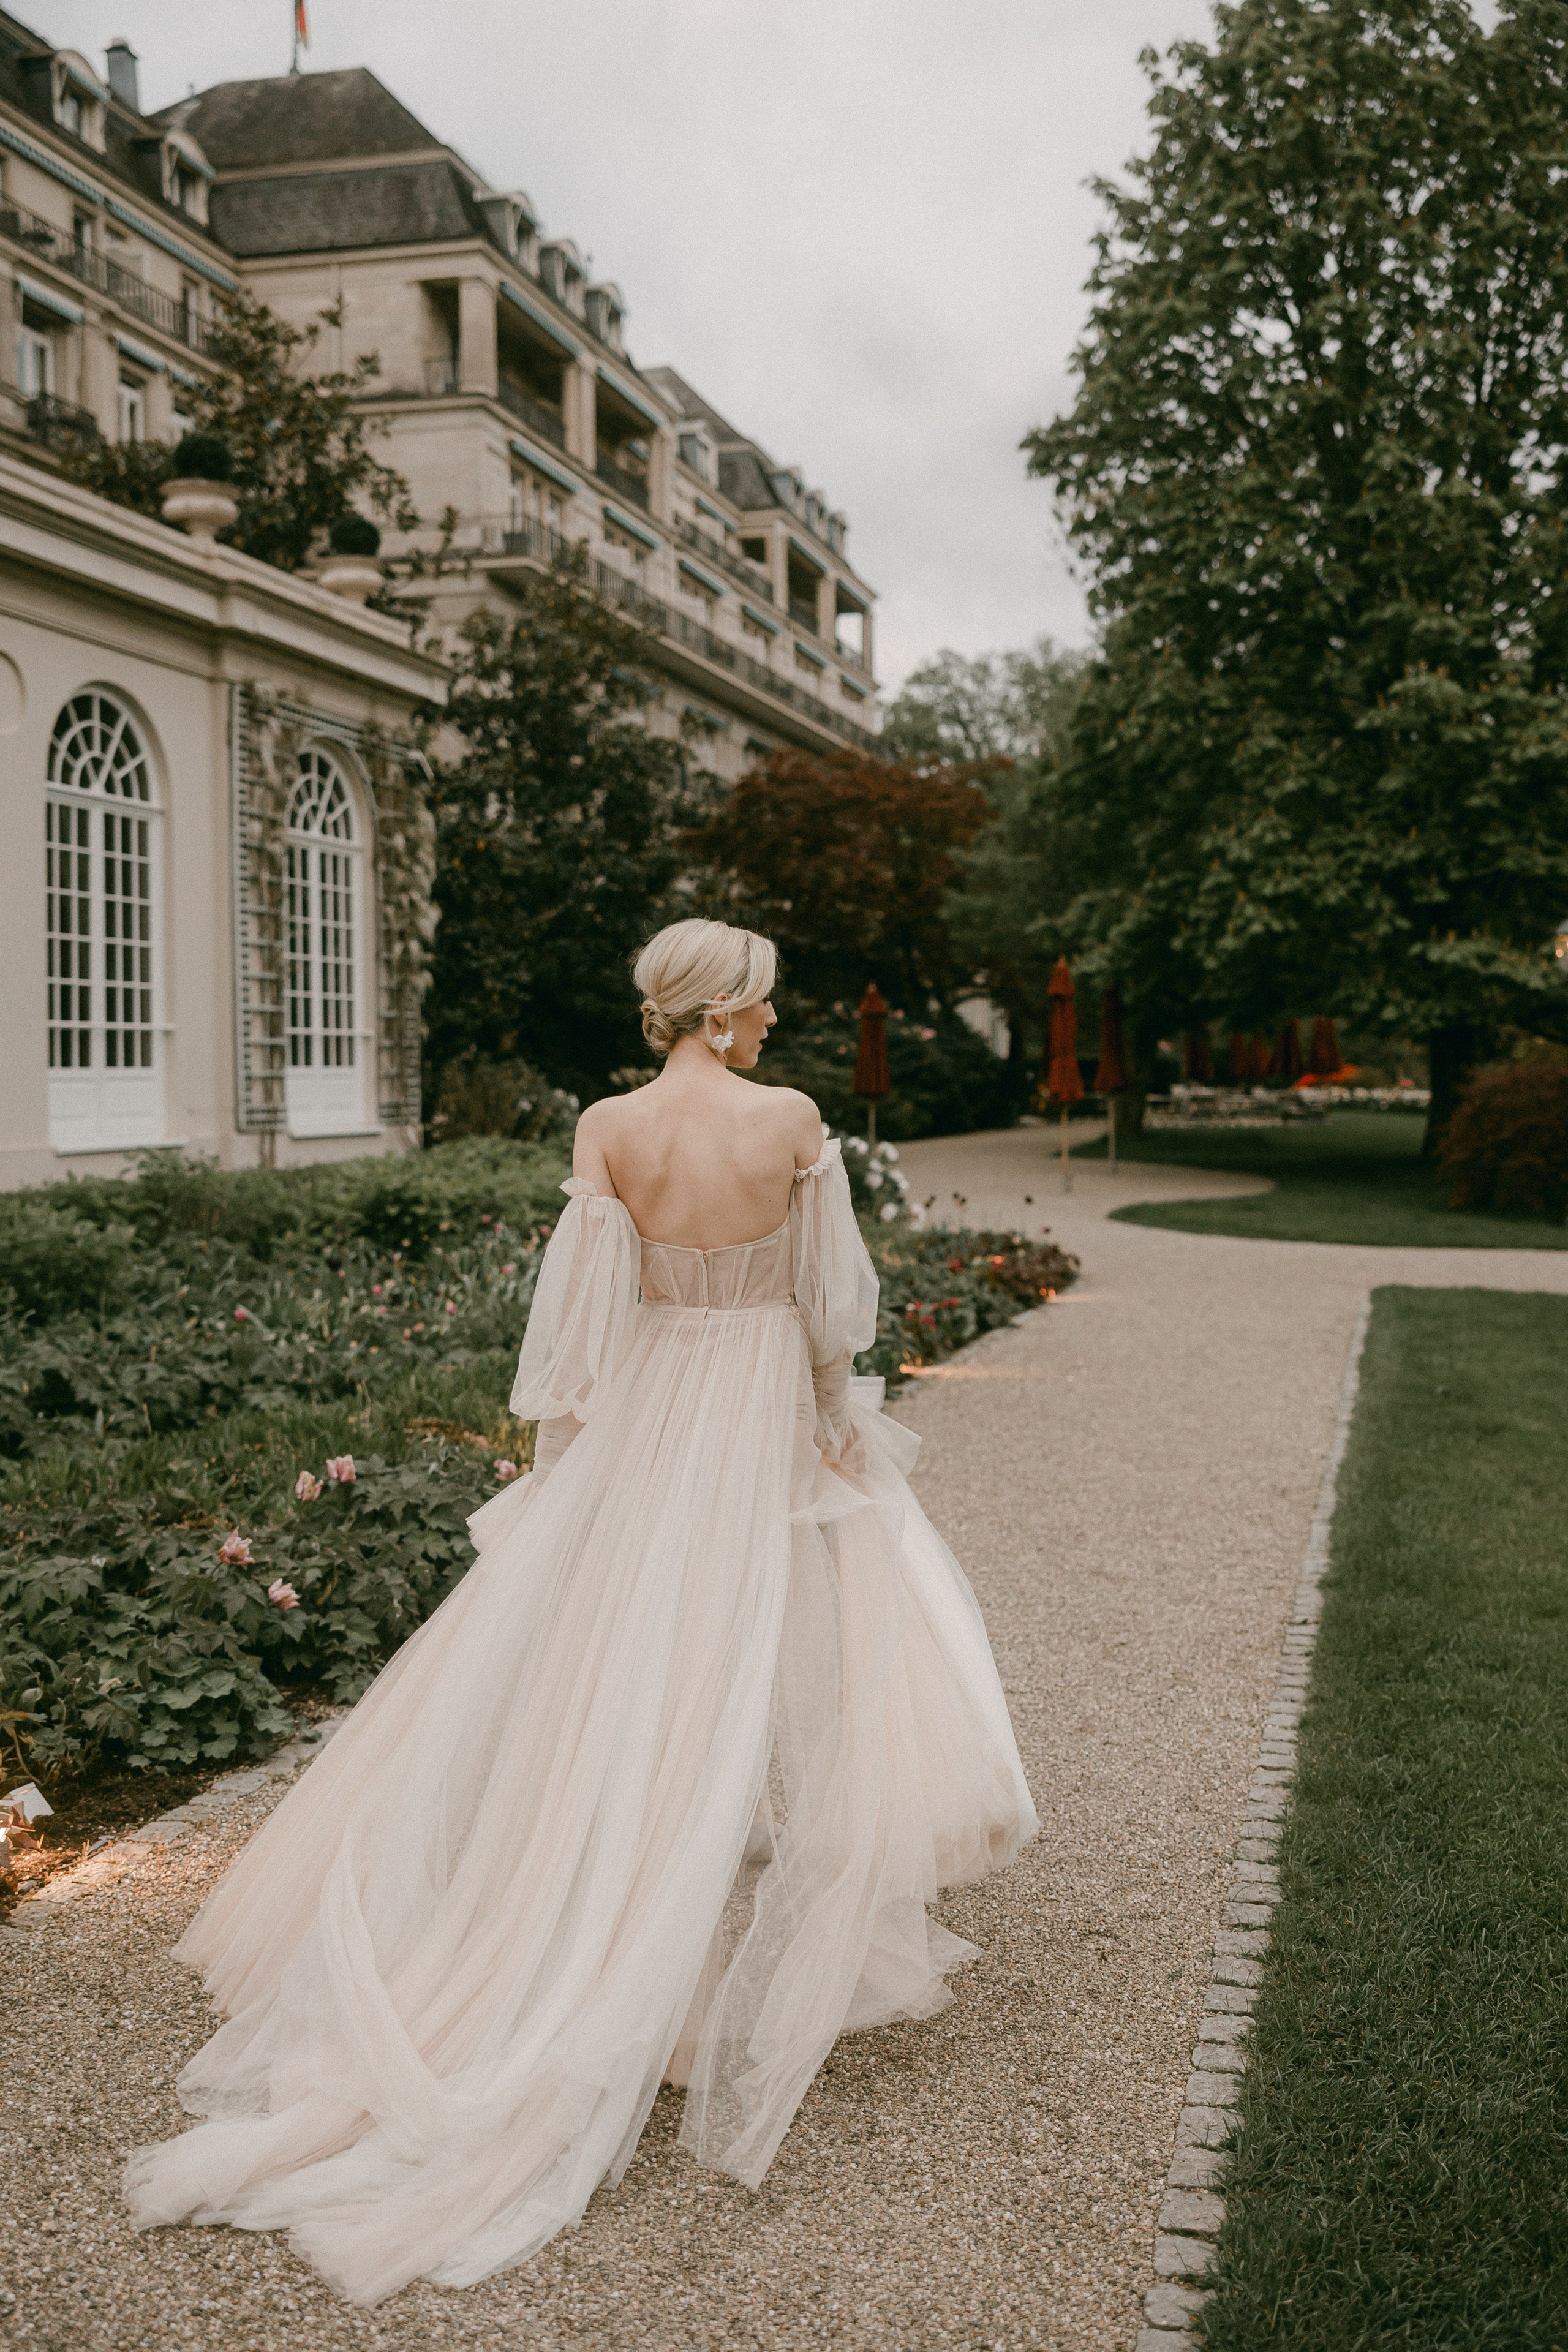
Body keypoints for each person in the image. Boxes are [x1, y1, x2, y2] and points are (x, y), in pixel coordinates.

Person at [124, 918, 1038, 2307]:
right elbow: (823, 1309)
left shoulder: (607, 1126)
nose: (775, 1025)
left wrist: (569, 1479)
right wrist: (831, 1426)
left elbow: (583, 1330)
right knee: (753, 1659)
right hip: (749, 1419)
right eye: (765, 1004)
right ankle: (671, 1968)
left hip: (652, 1414)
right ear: (722, 1007)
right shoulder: (789, 1119)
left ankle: (608, 1912)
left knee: (627, 1667)